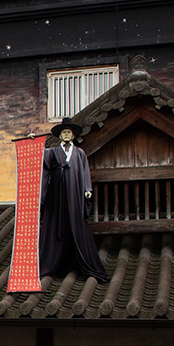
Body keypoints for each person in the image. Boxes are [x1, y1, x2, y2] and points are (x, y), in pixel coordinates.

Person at [38, 118, 110, 283]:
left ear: (73, 135)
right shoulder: (52, 152)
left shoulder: (79, 153)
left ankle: (83, 262)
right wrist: (33, 141)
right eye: (64, 132)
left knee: (76, 223)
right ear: (60, 136)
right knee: (55, 224)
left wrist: (87, 189)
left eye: (68, 132)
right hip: (57, 195)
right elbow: (40, 158)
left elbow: (85, 172)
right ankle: (50, 263)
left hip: (74, 193)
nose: (66, 134)